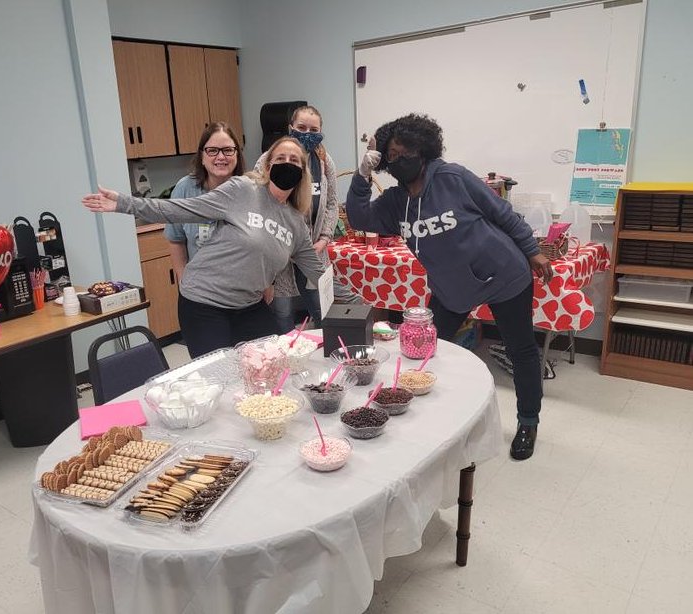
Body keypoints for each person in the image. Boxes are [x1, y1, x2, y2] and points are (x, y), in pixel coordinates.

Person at [346, 113, 553, 461]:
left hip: (503, 274)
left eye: (406, 151)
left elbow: (501, 212)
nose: (400, 159)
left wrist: (533, 251)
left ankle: (528, 422)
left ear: (423, 149)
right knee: (425, 350)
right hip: (451, 288)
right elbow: (359, 217)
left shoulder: (452, 177)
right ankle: (426, 419)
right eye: (392, 155)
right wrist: (362, 174)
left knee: (521, 351)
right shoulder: (395, 202)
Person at [83, 136, 325, 359]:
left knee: (272, 362)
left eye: (294, 160)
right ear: (268, 166)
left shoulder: (296, 223)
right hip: (204, 302)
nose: (287, 163)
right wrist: (124, 203)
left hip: (249, 305)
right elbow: (179, 209)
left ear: (303, 172)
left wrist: (348, 304)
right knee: (218, 376)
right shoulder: (242, 190)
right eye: (280, 158)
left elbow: (318, 273)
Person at [254, 105, 338, 332]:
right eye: (301, 127)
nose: (307, 133)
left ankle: (328, 350)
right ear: (291, 128)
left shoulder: (324, 161)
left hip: (314, 250)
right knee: (283, 312)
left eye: (313, 129)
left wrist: (324, 238)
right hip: (280, 255)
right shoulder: (268, 159)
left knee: (322, 309)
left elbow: (332, 203)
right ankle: (289, 353)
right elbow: (259, 206)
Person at [164, 122, 245, 284]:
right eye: (212, 150)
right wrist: (184, 281)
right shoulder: (185, 189)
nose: (221, 157)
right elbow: (176, 240)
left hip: (242, 288)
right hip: (199, 289)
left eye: (228, 150)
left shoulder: (250, 191)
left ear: (237, 154)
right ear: (202, 156)